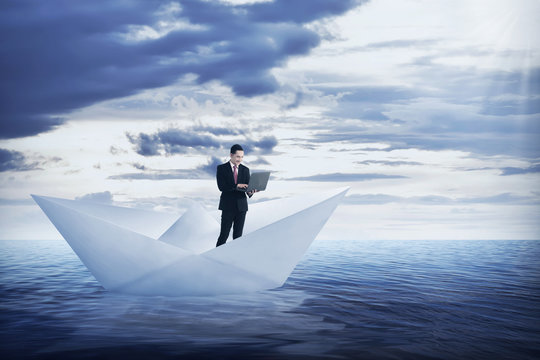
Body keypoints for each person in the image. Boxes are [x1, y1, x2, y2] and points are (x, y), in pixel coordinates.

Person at [215, 144, 257, 247]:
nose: (240, 159)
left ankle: (234, 260)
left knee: (238, 237)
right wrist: (237, 185)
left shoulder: (245, 170)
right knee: (224, 235)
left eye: (242, 157)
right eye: (238, 156)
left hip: (241, 207)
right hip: (228, 206)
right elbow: (221, 187)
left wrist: (251, 191)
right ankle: (215, 258)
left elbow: (247, 188)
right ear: (231, 155)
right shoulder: (221, 168)